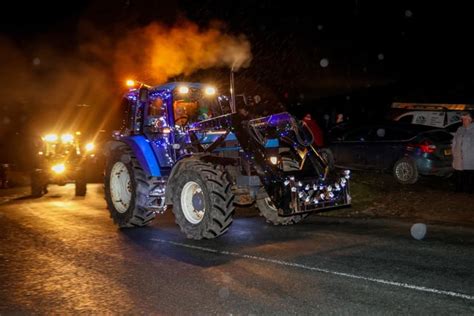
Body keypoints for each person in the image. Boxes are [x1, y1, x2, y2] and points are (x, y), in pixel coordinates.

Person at [452, 110, 474, 193]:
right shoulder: (460, 129)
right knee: (458, 175)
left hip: (470, 158)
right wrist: (454, 152)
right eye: (462, 119)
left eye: (465, 119)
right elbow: (454, 141)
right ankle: (458, 191)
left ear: (470, 119)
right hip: (458, 157)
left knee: (469, 175)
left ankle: (468, 192)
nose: (463, 121)